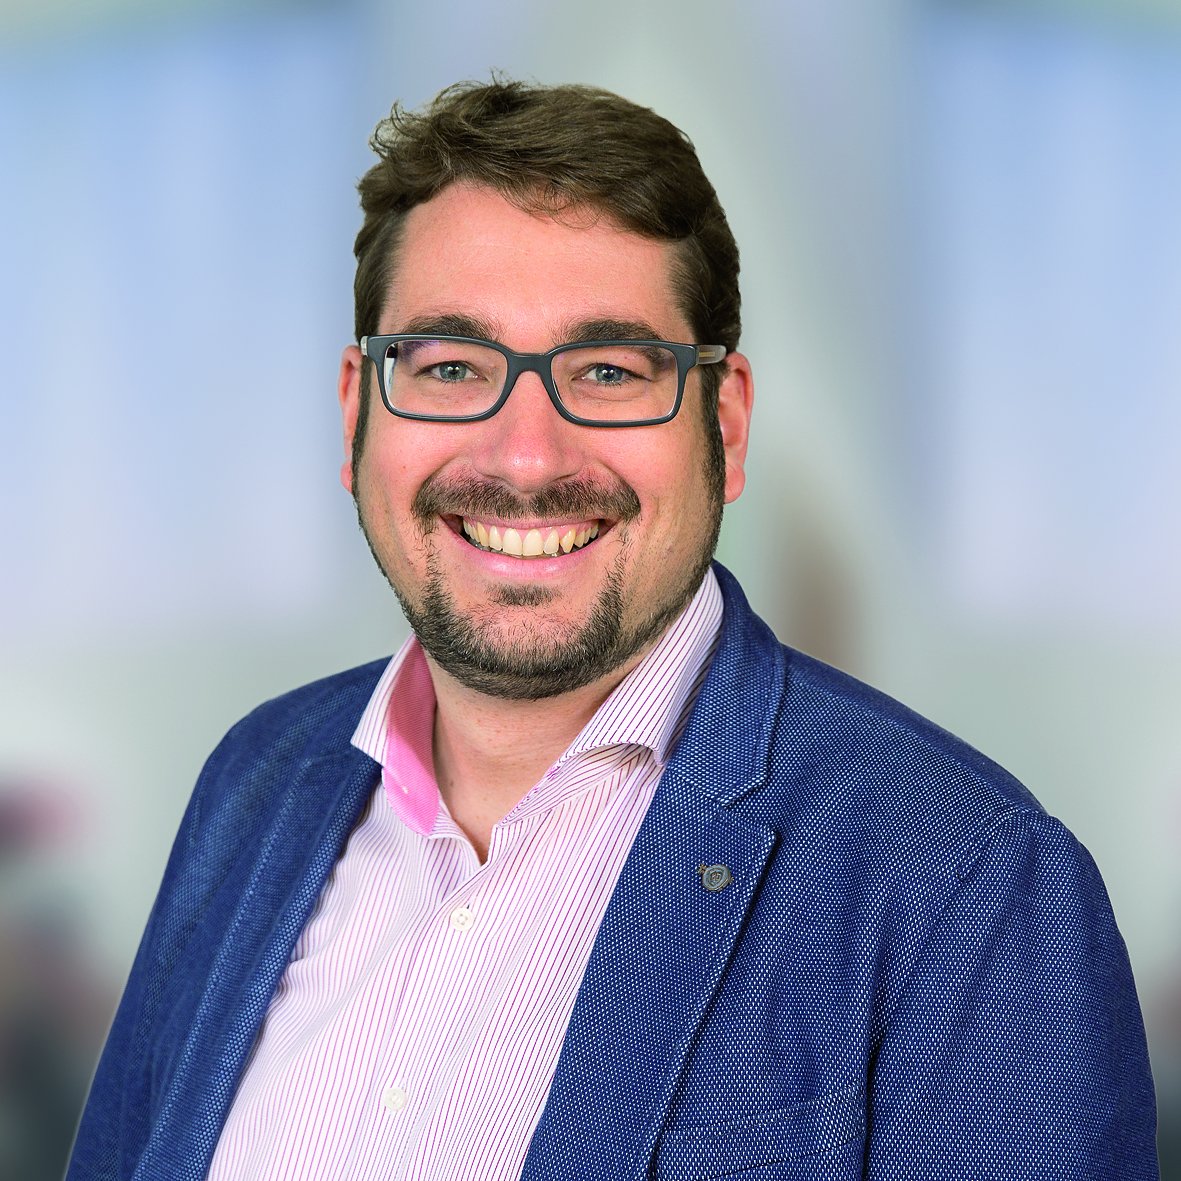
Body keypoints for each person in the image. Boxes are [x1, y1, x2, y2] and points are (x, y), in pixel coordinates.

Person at [67, 79, 1158, 1181]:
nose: (525, 456)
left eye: (606, 371)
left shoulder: (967, 885)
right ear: (358, 411)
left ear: (724, 424)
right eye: (449, 367)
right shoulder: (254, 782)